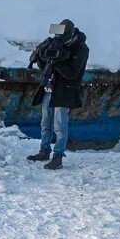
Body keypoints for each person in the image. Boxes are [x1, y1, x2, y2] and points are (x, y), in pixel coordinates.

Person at [26, 19, 90, 170]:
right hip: (49, 88)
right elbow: (44, 66)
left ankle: (58, 157)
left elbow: (72, 74)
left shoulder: (81, 48)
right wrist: (41, 56)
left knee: (60, 126)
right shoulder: (55, 42)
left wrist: (58, 60)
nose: (58, 38)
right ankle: (44, 151)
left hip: (65, 90)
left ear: (70, 34)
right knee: (45, 123)